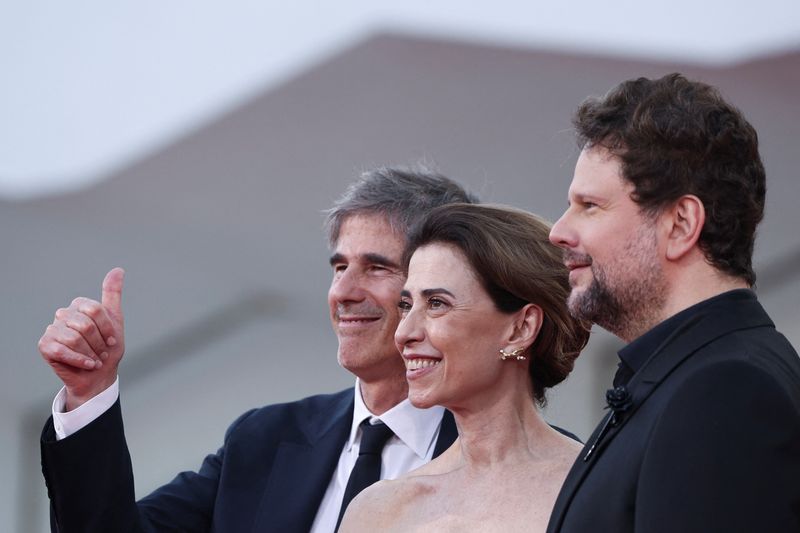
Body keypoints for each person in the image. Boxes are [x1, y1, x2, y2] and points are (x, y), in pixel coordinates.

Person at [37, 167, 477, 532]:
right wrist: (89, 393)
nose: (342, 291)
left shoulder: (513, 458)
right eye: (339, 266)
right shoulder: (264, 439)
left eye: (377, 267)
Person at [546, 73, 800, 533]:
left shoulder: (726, 392)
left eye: (589, 205)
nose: (559, 231)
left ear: (681, 224)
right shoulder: (684, 377)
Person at [339, 203, 590, 532]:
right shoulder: (380, 511)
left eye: (437, 304)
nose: (404, 334)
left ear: (521, 328)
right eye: (406, 305)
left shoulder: (599, 489)